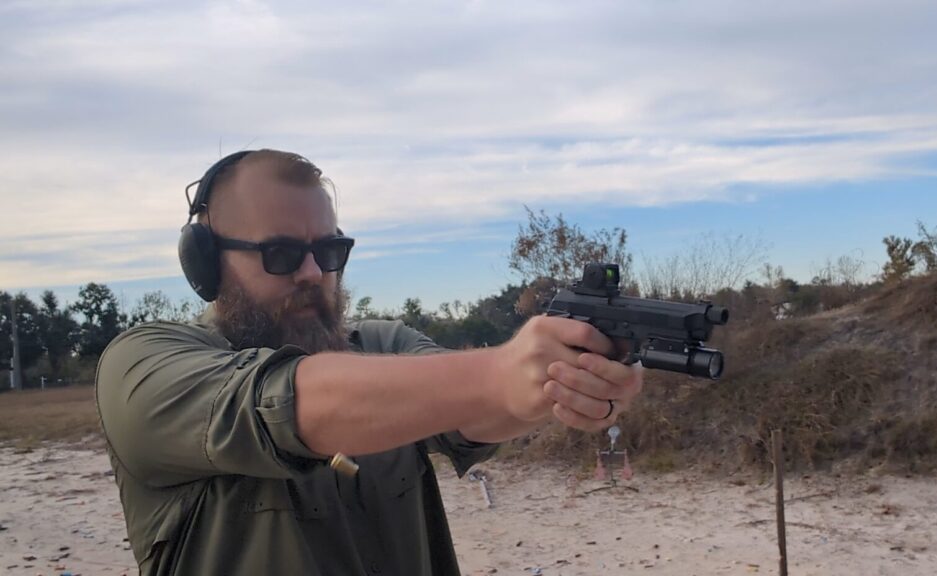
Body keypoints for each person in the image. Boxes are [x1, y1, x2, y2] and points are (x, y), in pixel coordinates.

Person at [95, 149, 644, 576]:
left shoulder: (383, 344)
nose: (314, 273)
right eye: (281, 254)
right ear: (208, 263)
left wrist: (560, 381)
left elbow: (474, 416)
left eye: (329, 251)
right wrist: (499, 373)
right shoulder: (144, 366)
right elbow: (284, 403)